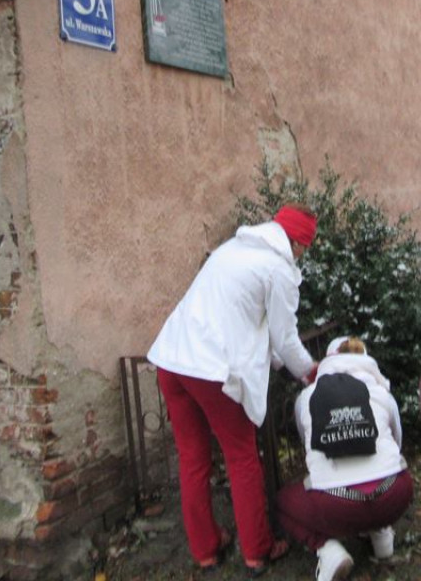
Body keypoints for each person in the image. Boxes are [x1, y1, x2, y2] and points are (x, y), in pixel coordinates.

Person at [147, 204, 319, 574]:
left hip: (172, 359)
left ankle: (206, 548)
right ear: (298, 242)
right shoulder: (279, 270)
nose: (305, 253)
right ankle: (258, 548)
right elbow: (285, 338)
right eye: (306, 246)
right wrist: (308, 371)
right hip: (210, 371)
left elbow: (244, 319)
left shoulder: (232, 249)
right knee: (241, 456)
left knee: (193, 458)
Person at [276, 335, 414, 581]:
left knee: (282, 503)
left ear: (328, 361)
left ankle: (327, 549)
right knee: (382, 470)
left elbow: (306, 441)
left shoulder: (307, 398)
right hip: (394, 493)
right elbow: (397, 442)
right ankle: (381, 532)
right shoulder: (382, 393)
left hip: (335, 505)